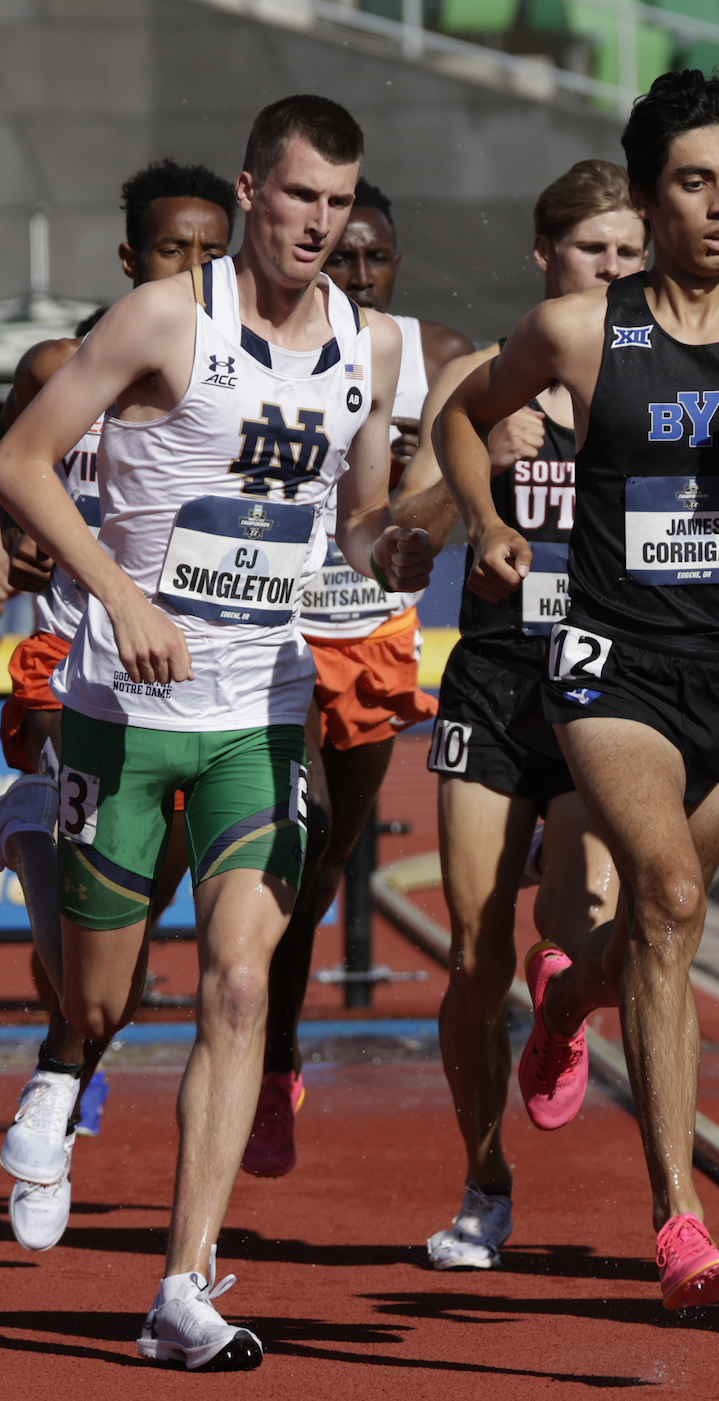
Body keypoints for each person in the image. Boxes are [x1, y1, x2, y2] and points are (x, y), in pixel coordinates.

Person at [434, 70, 719, 1309]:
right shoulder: (585, 331)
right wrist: (484, 521)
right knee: (672, 891)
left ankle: (566, 1001)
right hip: (610, 662)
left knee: (658, 930)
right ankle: (679, 1215)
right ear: (649, 195)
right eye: (695, 182)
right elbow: (459, 422)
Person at [0, 94, 433, 1371]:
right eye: (299, 198)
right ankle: (51, 983)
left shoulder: (369, 347)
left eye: (339, 204)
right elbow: (20, 463)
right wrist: (119, 597)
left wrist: (386, 544)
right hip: (122, 715)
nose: (319, 225)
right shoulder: (166, 318)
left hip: (259, 714)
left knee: (240, 982)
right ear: (252, 192)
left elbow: (354, 522)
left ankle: (182, 1287)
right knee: (101, 995)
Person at [0, 158, 236, 1252]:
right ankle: (62, 1078)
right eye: (175, 251)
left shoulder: (245, 378)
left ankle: (58, 1063)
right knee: (94, 938)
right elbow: (18, 467)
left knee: (123, 932)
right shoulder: (64, 363)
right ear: (131, 261)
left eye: (214, 252)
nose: (197, 272)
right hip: (75, 662)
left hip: (197, 678)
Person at [408, 159, 641, 1270]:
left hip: (601, 687)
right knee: (471, 949)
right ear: (546, 258)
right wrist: (469, 500)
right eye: (595, 251)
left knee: (579, 931)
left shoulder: (654, 382)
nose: (614, 271)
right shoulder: (479, 378)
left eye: (631, 253)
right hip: (495, 682)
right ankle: (483, 1179)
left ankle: (564, 1011)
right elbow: (395, 515)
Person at [242, 176, 474, 1180]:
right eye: (343, 257)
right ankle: (270, 1057)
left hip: (374, 637)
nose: (359, 274)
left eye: (376, 257)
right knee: (296, 844)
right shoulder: (275, 346)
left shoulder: (440, 356)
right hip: (282, 636)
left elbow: (453, 506)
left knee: (330, 864)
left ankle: (278, 1046)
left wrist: (418, 484)